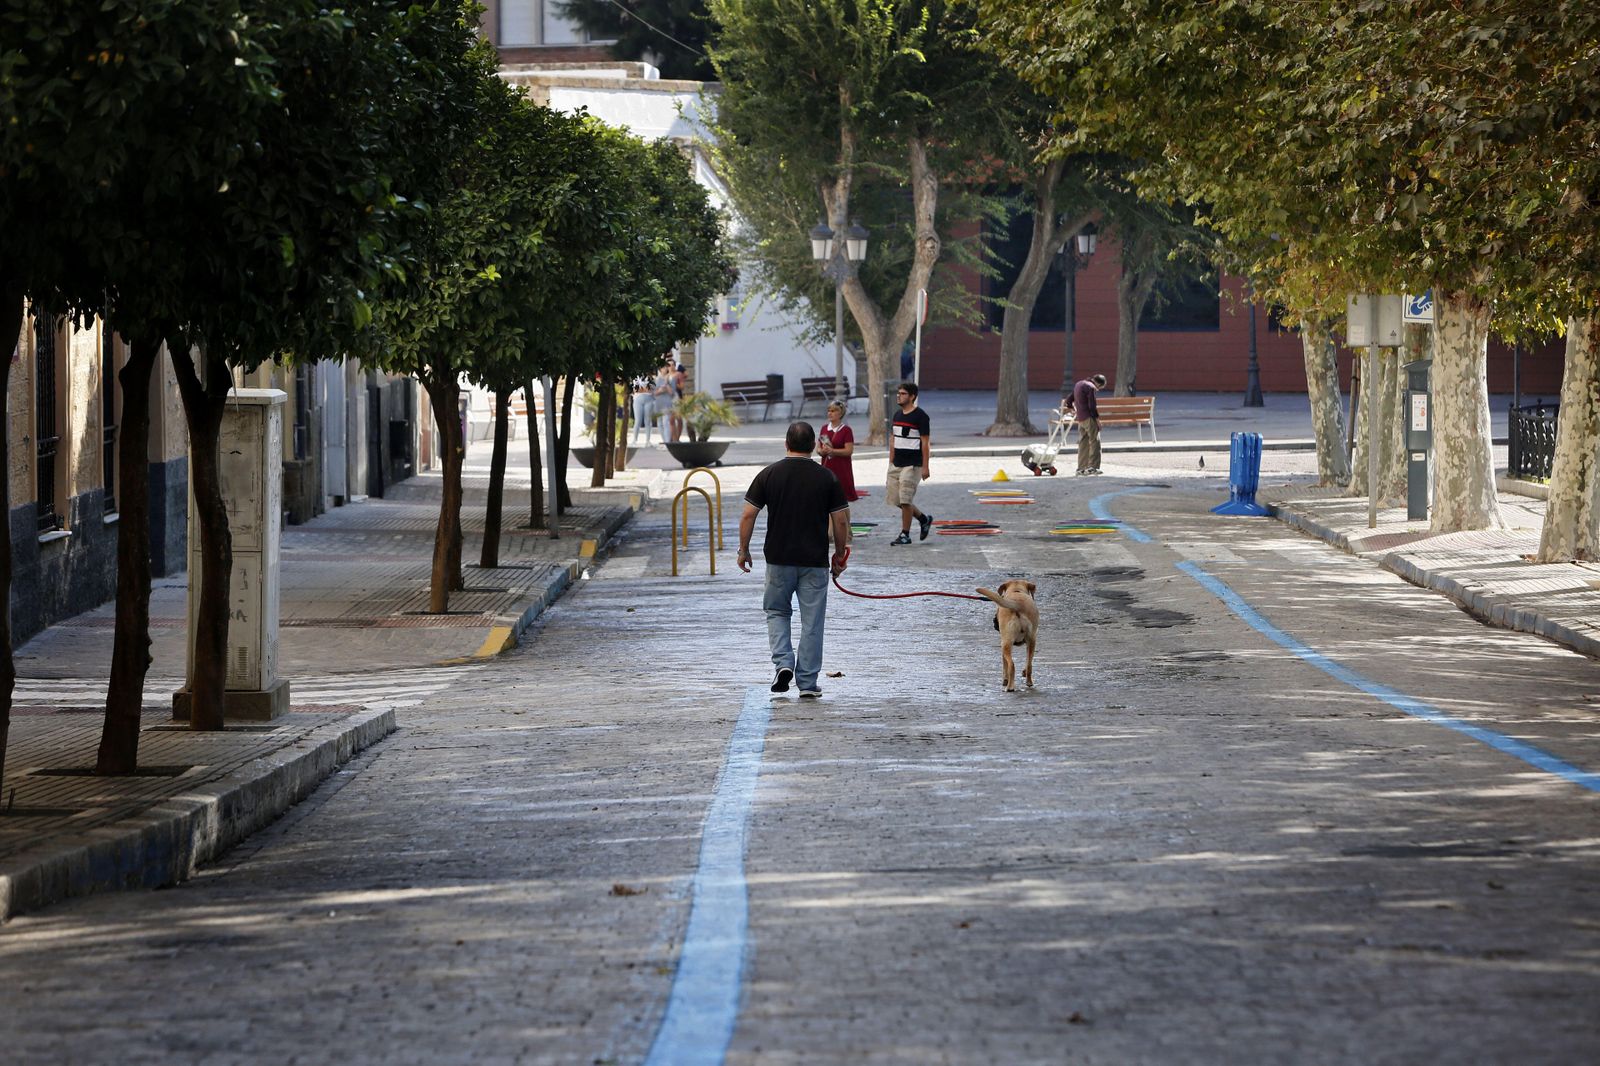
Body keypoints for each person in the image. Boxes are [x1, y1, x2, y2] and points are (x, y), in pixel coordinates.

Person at [737, 422, 852, 699]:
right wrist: (839, 554)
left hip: (778, 559)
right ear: (813, 446)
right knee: (813, 621)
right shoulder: (826, 478)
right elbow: (840, 520)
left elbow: (748, 515)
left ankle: (783, 664)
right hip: (814, 561)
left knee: (777, 612)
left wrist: (744, 550)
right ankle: (808, 683)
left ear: (786, 444)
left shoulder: (769, 474)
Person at [887, 382, 932, 545]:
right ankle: (923, 519)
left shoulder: (921, 416)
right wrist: (890, 462)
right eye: (898, 393)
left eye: (903, 393)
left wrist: (926, 466)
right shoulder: (897, 415)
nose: (899, 395)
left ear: (912, 396)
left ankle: (905, 534)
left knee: (905, 499)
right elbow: (893, 440)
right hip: (896, 464)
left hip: (913, 464)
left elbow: (925, 443)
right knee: (897, 500)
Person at [816, 400, 861, 501]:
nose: (830, 413)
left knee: (843, 498)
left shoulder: (846, 430)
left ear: (840, 413)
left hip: (842, 469)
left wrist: (833, 451)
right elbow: (818, 447)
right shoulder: (824, 428)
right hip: (827, 467)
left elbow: (849, 451)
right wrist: (821, 451)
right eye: (829, 410)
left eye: (833, 411)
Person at [1073, 373, 1107, 475]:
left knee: (1083, 442)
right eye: (1100, 387)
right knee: (1095, 442)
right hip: (1089, 418)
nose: (1098, 390)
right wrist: (1098, 421)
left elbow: (1070, 399)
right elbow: (1092, 407)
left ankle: (1081, 468)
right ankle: (1093, 467)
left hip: (1081, 418)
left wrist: (1073, 408)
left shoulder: (1079, 384)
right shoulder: (1091, 387)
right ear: (1098, 384)